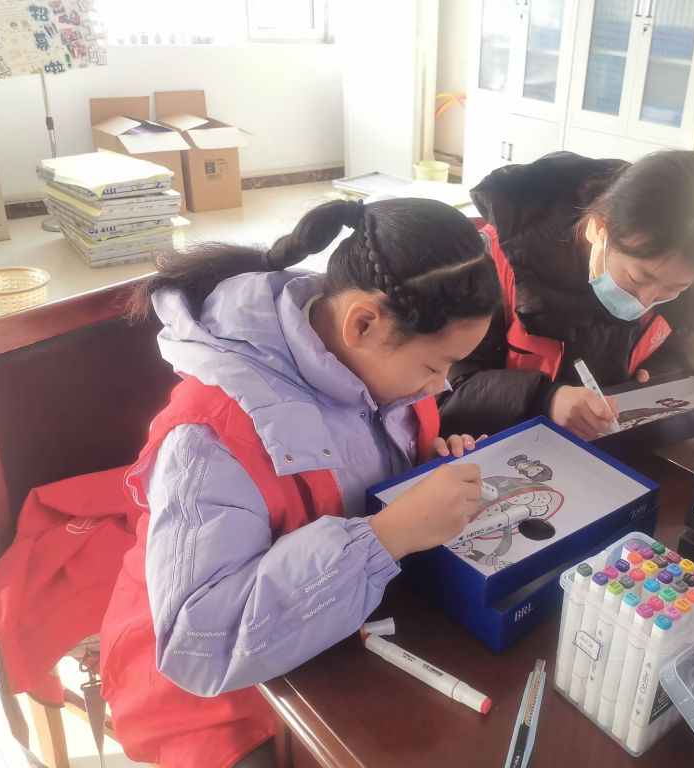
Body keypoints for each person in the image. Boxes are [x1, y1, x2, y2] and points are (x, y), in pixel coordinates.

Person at [99, 198, 501, 768]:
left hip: (347, 628)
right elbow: (199, 642)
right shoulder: (209, 436)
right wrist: (384, 536)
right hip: (223, 695)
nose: (440, 387)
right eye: (435, 366)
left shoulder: (372, 366)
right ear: (363, 323)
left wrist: (425, 468)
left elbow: (364, 468)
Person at [438, 150, 694, 441]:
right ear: (598, 228)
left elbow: (685, 356)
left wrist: (656, 380)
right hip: (507, 449)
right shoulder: (503, 260)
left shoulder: (689, 272)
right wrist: (544, 398)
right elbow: (446, 388)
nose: (647, 300)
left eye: (674, 289)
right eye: (638, 278)